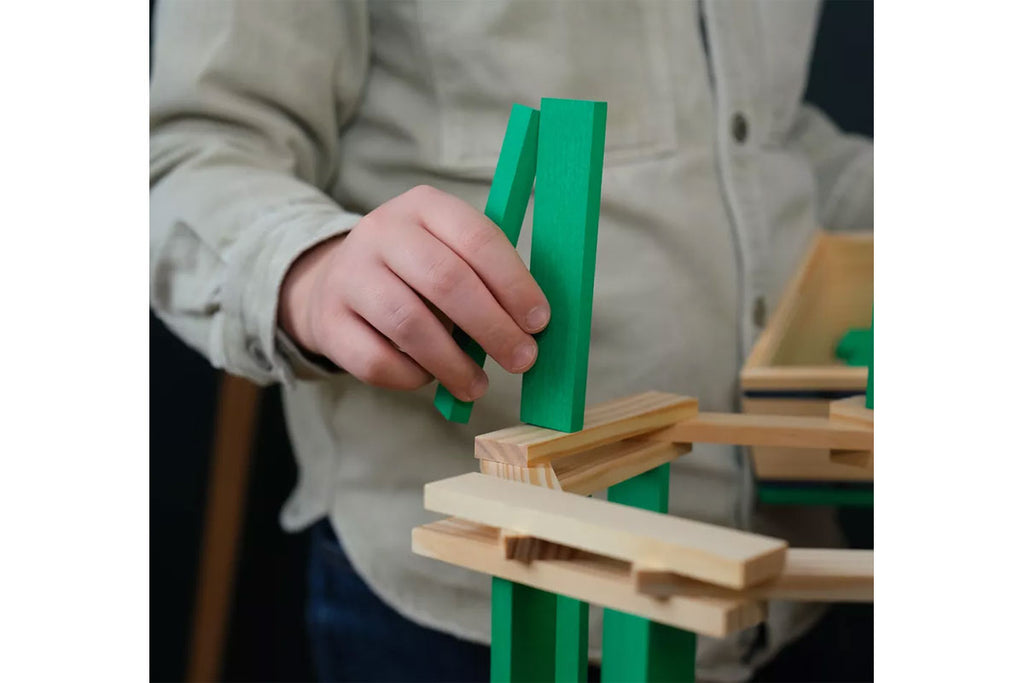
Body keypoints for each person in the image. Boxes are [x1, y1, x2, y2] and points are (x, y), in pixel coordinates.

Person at [150, 1, 872, 681]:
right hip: (467, 604)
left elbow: (758, 140)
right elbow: (191, 152)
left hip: (795, 569)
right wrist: (311, 270)